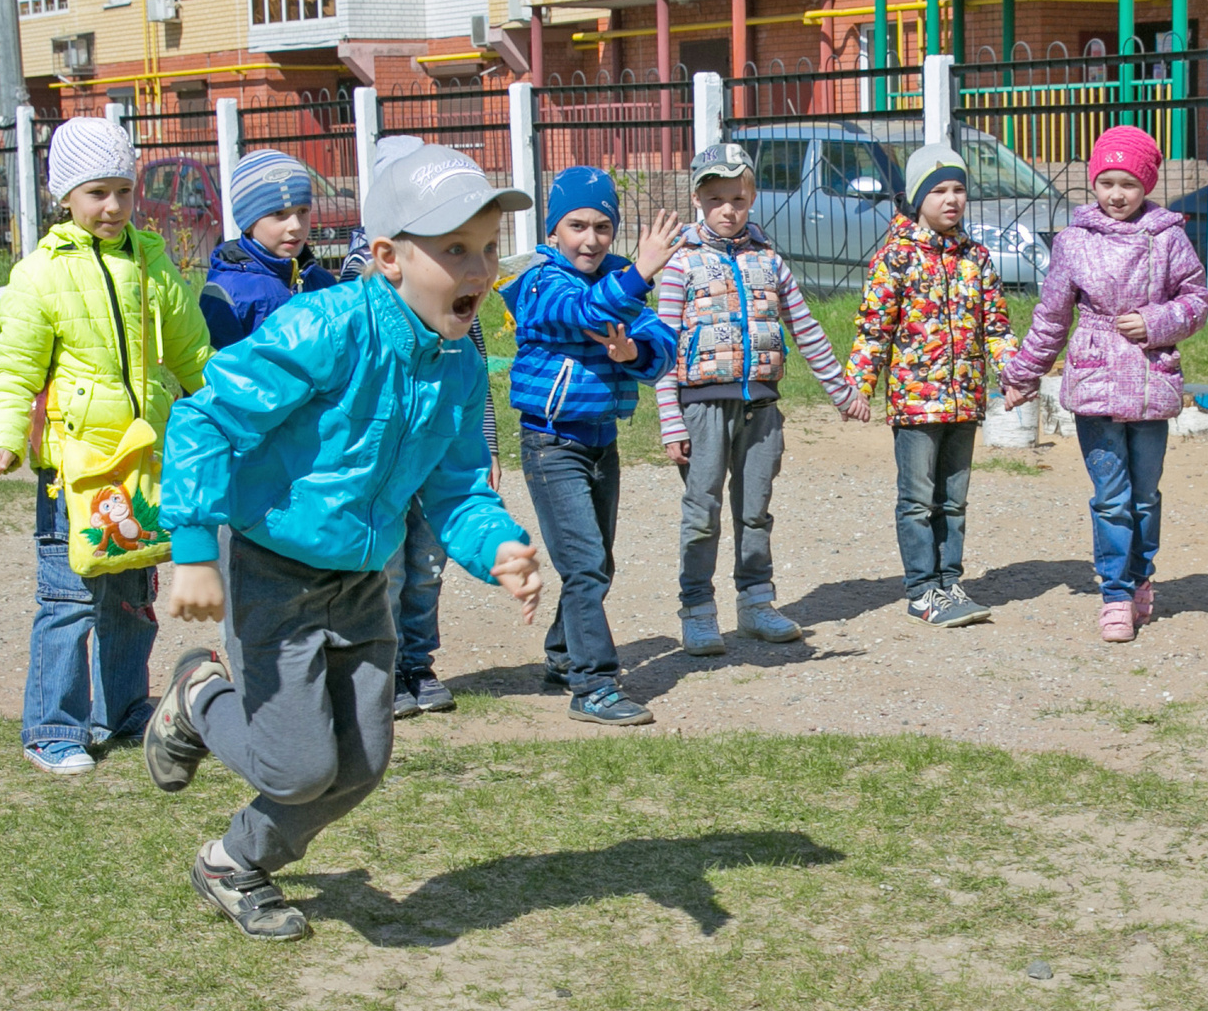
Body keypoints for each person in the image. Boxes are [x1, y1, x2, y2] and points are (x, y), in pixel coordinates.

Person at [145, 139, 542, 941]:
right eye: (456, 249)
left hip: (364, 582)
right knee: (297, 767)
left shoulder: (460, 365)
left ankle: (233, 861)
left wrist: (497, 545)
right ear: (390, 257)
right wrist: (190, 542)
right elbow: (204, 417)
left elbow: (458, 485)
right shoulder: (326, 325)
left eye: (489, 251)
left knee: (359, 766)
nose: (478, 270)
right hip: (272, 571)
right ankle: (199, 694)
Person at [0, 115, 211, 775]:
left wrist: (224, 412)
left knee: (131, 597)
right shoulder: (37, 275)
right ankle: (53, 726)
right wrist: (4, 438)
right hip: (76, 472)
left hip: (141, 463)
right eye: (96, 193)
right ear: (65, 196)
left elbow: (192, 348)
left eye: (122, 190)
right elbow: (15, 368)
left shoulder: (151, 262)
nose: (112, 206)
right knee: (69, 602)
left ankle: (124, 706)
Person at [654, 141, 873, 655]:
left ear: (751, 198)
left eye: (737, 198)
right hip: (701, 408)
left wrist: (842, 392)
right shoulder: (680, 265)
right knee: (701, 512)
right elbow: (660, 348)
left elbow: (808, 330)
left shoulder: (770, 261)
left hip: (762, 408)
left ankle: (756, 604)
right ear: (697, 201)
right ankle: (697, 611)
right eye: (715, 200)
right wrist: (670, 420)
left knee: (755, 510)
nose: (727, 210)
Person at [1001, 126, 1208, 643]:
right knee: (1111, 498)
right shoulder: (1074, 243)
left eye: (1129, 184)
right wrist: (1024, 375)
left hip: (1149, 379)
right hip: (1094, 382)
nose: (1117, 194)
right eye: (1107, 182)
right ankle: (1115, 595)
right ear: (1093, 183)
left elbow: (1198, 299)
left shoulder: (1169, 237)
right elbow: (1051, 317)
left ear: (1146, 186)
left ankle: (1143, 579)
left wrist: (1157, 322)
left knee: (1144, 497)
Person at [500, 165, 679, 725]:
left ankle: (561, 654)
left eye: (603, 227)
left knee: (597, 562)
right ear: (554, 231)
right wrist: (642, 273)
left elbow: (662, 340)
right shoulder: (539, 280)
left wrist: (635, 355)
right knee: (584, 566)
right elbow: (582, 313)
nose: (590, 239)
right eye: (577, 225)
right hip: (551, 446)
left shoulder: (619, 276)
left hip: (602, 441)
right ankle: (593, 685)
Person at [338, 202, 503, 717]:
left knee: (428, 562)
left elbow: (471, 377)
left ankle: (416, 662)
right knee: (385, 567)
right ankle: (381, 668)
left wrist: (487, 445)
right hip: (380, 462)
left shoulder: (456, 293)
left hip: (437, 452)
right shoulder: (358, 291)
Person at [847, 142, 1015, 629]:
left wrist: (1014, 374)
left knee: (954, 500)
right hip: (916, 406)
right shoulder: (895, 258)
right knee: (918, 500)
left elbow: (998, 328)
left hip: (965, 401)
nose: (951, 199)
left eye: (959, 189)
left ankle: (950, 581)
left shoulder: (977, 259)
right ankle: (922, 591)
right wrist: (858, 385)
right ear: (916, 197)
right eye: (938, 189)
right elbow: (873, 329)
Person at [197, 149, 337, 349]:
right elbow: (220, 371)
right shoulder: (227, 293)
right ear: (249, 222)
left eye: (302, 211)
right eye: (279, 213)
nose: (295, 225)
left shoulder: (324, 282)